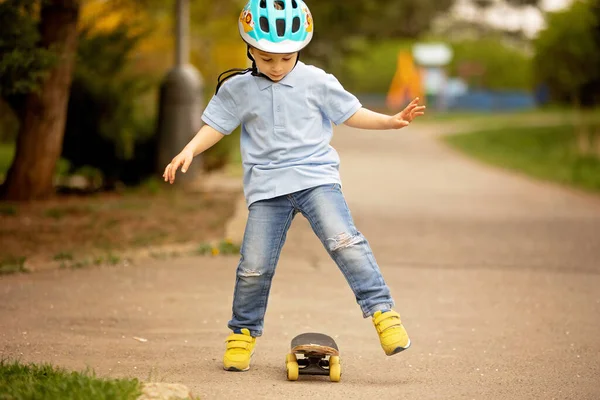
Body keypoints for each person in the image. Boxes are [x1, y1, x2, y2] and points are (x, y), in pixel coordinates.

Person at [163, 0, 426, 372]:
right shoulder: (238, 88)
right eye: (268, 58)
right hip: (267, 189)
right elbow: (217, 125)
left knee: (345, 241)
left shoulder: (316, 81)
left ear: (299, 50)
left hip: (315, 179)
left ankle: (383, 313)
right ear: (250, 48)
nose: (277, 67)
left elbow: (350, 114)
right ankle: (242, 333)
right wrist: (188, 150)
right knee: (253, 266)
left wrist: (391, 121)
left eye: (287, 58)